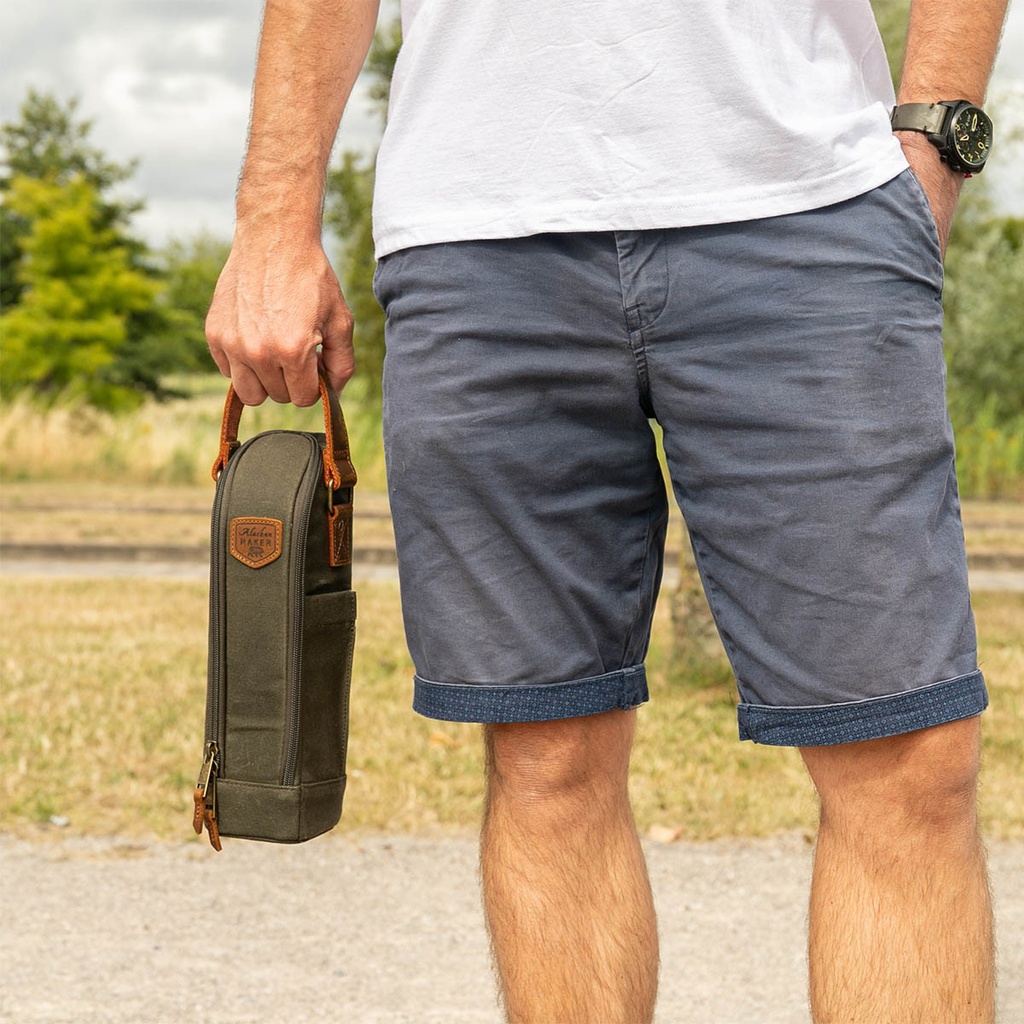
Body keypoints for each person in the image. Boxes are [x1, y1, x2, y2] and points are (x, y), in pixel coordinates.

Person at [205, 1, 1009, 1020]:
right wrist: (273, 222)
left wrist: (936, 138)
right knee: (547, 757)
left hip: (807, 205)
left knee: (906, 762)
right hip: (477, 230)